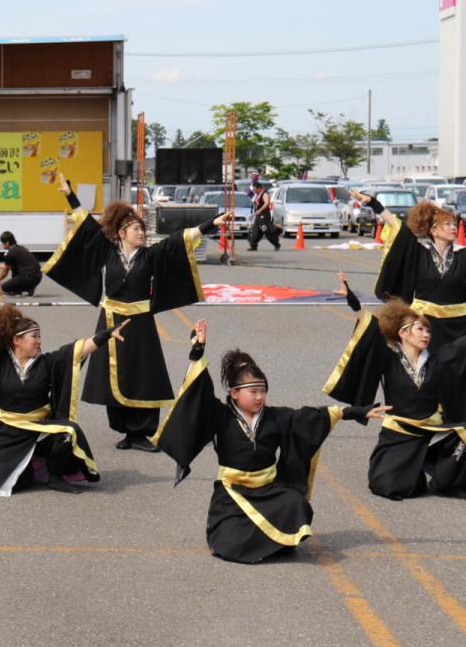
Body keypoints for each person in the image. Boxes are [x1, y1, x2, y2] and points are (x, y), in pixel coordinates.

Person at [153, 319, 385, 563]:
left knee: (297, 504)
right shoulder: (219, 415)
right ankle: (257, 540)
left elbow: (310, 417)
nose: (259, 397)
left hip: (267, 489)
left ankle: (273, 540)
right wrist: (198, 350)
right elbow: (199, 390)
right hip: (232, 492)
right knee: (231, 543)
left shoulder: (275, 417)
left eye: (262, 390)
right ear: (234, 393)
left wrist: (355, 412)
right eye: (253, 391)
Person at [46, 175, 230, 452]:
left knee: (144, 375)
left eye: (142, 229)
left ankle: (142, 432)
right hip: (110, 320)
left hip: (141, 323)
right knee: (111, 377)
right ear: (121, 233)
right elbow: (85, 223)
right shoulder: (107, 251)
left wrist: (208, 226)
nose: (141, 233)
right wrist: (70, 195)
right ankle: (125, 431)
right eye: (135, 229)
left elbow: (180, 241)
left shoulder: (151, 256)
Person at [0, 275, 130, 495]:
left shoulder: (47, 362)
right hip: (9, 431)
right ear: (17, 340)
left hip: (40, 428)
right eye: (34, 336)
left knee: (69, 431)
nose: (39, 341)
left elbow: (78, 350)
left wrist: (107, 334)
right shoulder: (1, 361)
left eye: (40, 336)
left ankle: (54, 475)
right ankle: (32, 467)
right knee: (2, 481)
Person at [322, 274, 466, 500]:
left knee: (460, 447)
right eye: (420, 329)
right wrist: (352, 299)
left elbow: (461, 348)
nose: (426, 334)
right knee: (388, 486)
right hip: (399, 430)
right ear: (403, 333)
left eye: (428, 331)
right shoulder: (388, 359)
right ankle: (413, 469)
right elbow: (368, 327)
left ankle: (442, 474)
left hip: (432, 428)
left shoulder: (437, 360)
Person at [351, 190, 466, 353]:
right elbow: (398, 227)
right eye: (447, 224)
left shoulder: (462, 256)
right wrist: (374, 203)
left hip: (459, 326)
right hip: (426, 324)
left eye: (454, 224)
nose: (453, 228)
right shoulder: (419, 254)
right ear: (433, 231)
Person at [0, 231, 42, 296]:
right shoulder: (21, 248)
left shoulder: (10, 253)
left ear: (7, 243)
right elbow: (10, 267)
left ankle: (22, 289)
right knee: (15, 269)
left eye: (2, 243)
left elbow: (5, 273)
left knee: (4, 287)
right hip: (38, 277)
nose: (2, 245)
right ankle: (28, 288)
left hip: (28, 277)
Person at [247, 181, 280, 252]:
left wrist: (259, 211)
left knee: (266, 231)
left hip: (264, 215)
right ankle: (253, 245)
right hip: (258, 216)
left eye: (255, 190)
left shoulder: (265, 193)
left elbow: (267, 203)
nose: (255, 191)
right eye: (254, 190)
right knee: (255, 230)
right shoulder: (257, 194)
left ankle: (276, 244)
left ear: (259, 188)